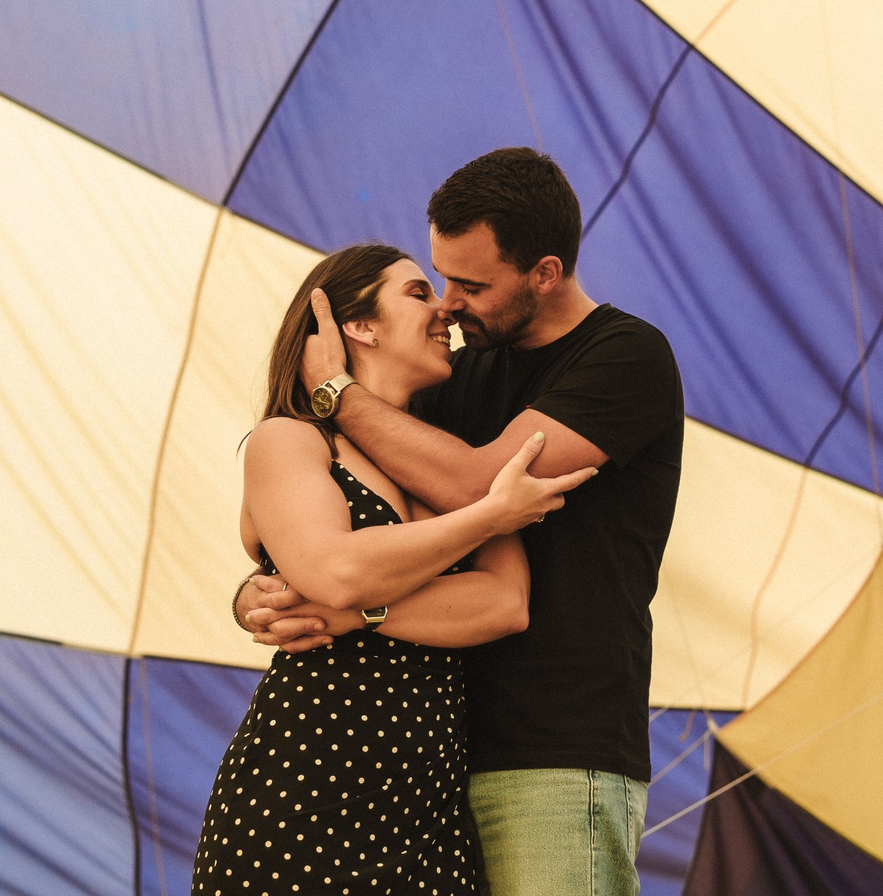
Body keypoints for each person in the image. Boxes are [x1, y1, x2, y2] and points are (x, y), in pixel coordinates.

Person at [238, 148, 686, 896]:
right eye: (438, 280)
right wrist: (259, 589)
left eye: (471, 283)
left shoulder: (626, 356)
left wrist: (335, 391)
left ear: (543, 272)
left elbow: (477, 488)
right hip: (429, 771)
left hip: (553, 751)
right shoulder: (456, 377)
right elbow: (331, 516)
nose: (449, 302)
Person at [190, 241, 594, 895]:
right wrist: (490, 514)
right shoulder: (290, 439)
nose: (443, 310)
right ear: (360, 324)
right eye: (417, 292)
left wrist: (357, 612)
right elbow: (337, 570)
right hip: (298, 799)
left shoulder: (446, 463)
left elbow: (504, 603)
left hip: (428, 817)